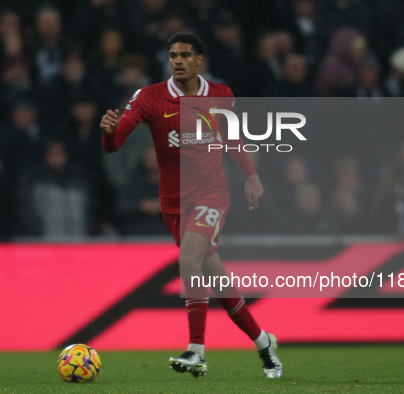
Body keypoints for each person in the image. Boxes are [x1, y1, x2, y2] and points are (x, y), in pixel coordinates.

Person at [100, 32, 282, 378]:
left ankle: (196, 350)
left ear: (200, 60)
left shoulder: (220, 95)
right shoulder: (150, 97)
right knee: (219, 282)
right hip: (173, 204)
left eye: (185, 55)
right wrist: (108, 132)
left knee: (188, 258)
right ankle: (263, 343)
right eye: (172, 56)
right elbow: (115, 143)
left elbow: (232, 139)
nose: (178, 61)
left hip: (212, 195)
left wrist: (251, 177)